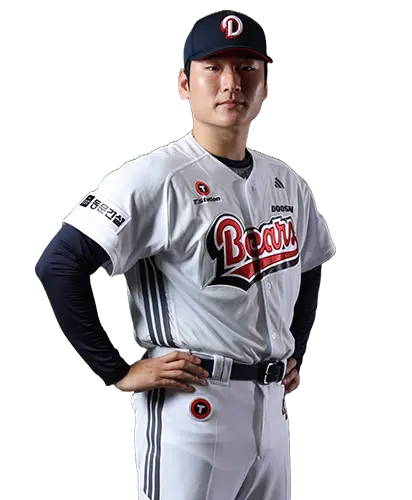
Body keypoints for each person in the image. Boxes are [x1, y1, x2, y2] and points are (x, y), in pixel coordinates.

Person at [35, 9, 335, 500]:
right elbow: (59, 265)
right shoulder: (154, 178)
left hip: (272, 407)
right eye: (213, 68)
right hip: (194, 406)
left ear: (264, 86)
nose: (231, 83)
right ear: (184, 84)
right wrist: (116, 371)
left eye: (247, 68)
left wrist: (295, 351)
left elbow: (311, 265)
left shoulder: (286, 183)